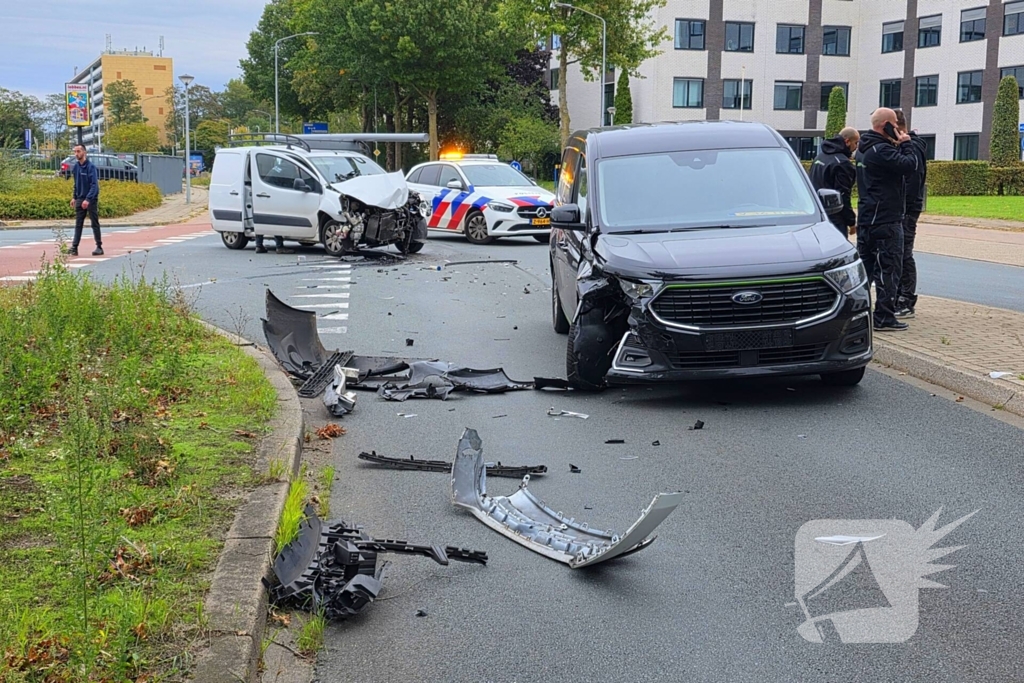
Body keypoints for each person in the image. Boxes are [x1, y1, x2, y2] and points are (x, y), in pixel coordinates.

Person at [854, 107, 920, 332]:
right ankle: (884, 317)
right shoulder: (882, 149)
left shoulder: (863, 148)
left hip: (867, 218)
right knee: (889, 269)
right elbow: (909, 166)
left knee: (866, 270)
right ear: (886, 126)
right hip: (886, 219)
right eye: (894, 124)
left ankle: (858, 314)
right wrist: (906, 143)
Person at [894, 110, 928, 319]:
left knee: (904, 252)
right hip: (903, 208)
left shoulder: (912, 148)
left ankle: (906, 299)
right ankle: (900, 296)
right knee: (899, 252)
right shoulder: (908, 147)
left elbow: (912, 181)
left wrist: (903, 208)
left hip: (906, 210)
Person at [809, 126, 860, 235]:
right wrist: (851, 221)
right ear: (847, 141)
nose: (856, 147)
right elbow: (843, 195)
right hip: (835, 218)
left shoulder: (820, 157)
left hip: (817, 214)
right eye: (856, 143)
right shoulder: (842, 163)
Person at [68, 144, 102, 257]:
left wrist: (88, 199)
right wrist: (74, 197)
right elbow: (76, 184)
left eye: (78, 151)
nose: (76, 154)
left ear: (84, 152)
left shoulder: (90, 167)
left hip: (90, 199)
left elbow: (94, 185)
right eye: (75, 152)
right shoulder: (76, 167)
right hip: (80, 198)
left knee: (94, 222)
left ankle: (99, 246)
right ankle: (74, 247)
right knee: (78, 223)